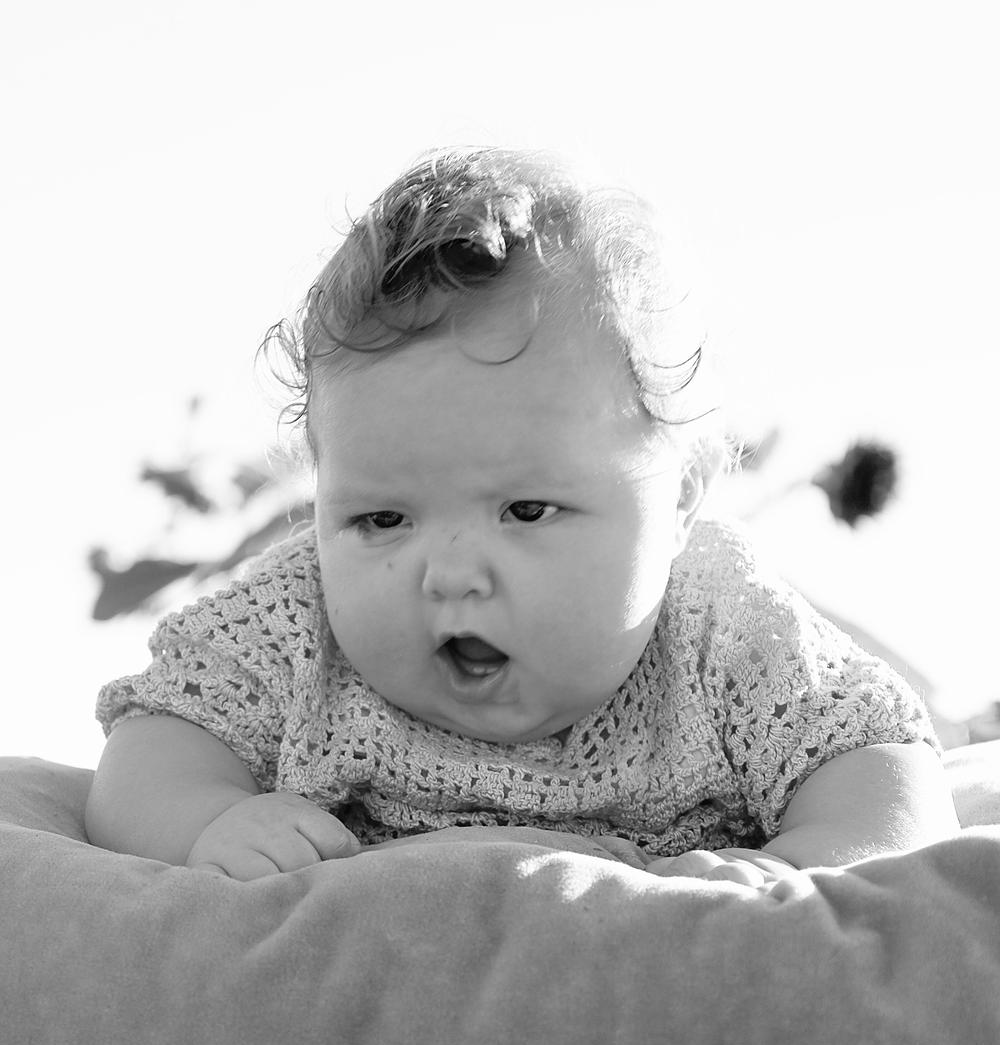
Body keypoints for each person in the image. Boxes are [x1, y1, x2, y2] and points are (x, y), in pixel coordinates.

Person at [85, 146, 959, 888]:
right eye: (382, 519)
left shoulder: (722, 630)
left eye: (527, 510)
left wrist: (792, 877)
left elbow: (881, 770)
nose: (450, 573)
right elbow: (151, 751)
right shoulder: (295, 623)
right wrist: (208, 823)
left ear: (681, 497)